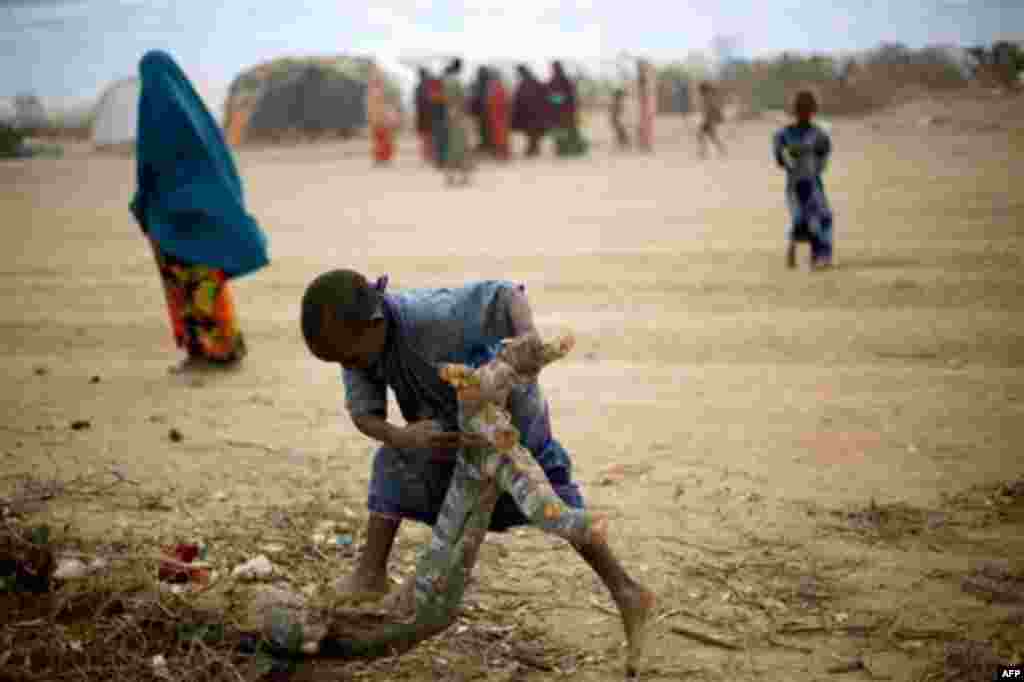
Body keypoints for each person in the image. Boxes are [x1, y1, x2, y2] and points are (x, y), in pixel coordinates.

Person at [300, 270, 656, 659]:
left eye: (350, 357)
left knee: (551, 498)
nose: (350, 366)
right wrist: (402, 436)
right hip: (447, 437)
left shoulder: (431, 315)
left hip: (508, 423)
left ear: (375, 322)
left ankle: (626, 590)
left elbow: (504, 294)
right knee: (392, 461)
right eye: (341, 361)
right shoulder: (359, 351)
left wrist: (527, 337)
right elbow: (363, 414)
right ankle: (370, 574)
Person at [130, 50, 269, 374]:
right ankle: (223, 347)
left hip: (172, 221)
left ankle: (203, 352)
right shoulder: (196, 116)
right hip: (203, 218)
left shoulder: (154, 115)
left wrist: (143, 203)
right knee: (207, 281)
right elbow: (221, 167)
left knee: (184, 285)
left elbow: (148, 167)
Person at [773, 90, 834, 269]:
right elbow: (823, 157)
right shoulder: (815, 133)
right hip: (805, 183)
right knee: (812, 220)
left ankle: (816, 256)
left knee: (813, 219)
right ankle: (816, 256)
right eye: (803, 109)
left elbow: (780, 159)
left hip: (801, 183)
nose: (805, 112)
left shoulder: (785, 134)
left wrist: (792, 161)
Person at [440, 58, 473, 186]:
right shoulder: (456, 81)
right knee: (461, 146)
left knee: (451, 145)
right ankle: (463, 176)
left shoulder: (446, 81)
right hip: (458, 115)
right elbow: (462, 98)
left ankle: (450, 176)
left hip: (449, 115)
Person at [547, 60, 588, 158]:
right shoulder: (566, 80)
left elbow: (557, 97)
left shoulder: (556, 81)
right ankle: (571, 150)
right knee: (569, 131)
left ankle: (564, 150)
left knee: (564, 132)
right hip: (567, 111)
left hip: (560, 112)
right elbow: (572, 96)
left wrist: (554, 101)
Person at [510, 64, 549, 158]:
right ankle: (533, 148)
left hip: (531, 113)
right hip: (532, 113)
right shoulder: (533, 82)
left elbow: (518, 98)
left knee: (532, 132)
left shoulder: (525, 84)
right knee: (531, 132)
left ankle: (533, 148)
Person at [367, 62, 395, 166]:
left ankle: (382, 159)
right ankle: (380, 159)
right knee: (380, 140)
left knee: (382, 140)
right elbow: (373, 106)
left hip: (380, 119)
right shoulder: (375, 91)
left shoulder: (376, 91)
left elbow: (383, 104)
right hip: (379, 119)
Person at [696, 81, 726, 159]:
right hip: (708, 120)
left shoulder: (707, 98)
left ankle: (703, 152)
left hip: (708, 120)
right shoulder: (707, 97)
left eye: (699, 90)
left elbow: (710, 109)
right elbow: (710, 108)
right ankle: (721, 150)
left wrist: (709, 118)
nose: (698, 92)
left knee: (701, 135)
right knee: (711, 137)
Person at [487, 68, 511, 160]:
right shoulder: (502, 87)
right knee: (502, 135)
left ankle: (501, 153)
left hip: (497, 115)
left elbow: (490, 102)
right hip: (501, 116)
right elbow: (508, 102)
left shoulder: (493, 88)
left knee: (498, 135)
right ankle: (503, 153)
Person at [470, 66, 494, 156]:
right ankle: (486, 145)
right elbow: (474, 98)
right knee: (483, 130)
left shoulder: (482, 84)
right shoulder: (487, 84)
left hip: (484, 112)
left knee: (484, 130)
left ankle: (487, 145)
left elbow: (474, 98)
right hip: (482, 112)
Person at [414, 67, 435, 164]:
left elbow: (416, 102)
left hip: (421, 115)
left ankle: (426, 156)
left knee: (424, 137)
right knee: (429, 137)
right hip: (430, 116)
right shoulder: (429, 86)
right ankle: (429, 155)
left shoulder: (418, 87)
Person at [636, 59, 656, 152]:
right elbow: (641, 92)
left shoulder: (647, 78)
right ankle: (644, 145)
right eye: (639, 67)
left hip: (648, 104)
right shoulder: (642, 78)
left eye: (641, 66)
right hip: (644, 105)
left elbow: (648, 91)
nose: (639, 69)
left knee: (647, 126)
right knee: (643, 126)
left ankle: (648, 145)